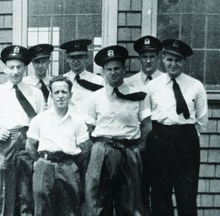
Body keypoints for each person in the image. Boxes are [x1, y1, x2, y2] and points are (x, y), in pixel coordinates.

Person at [0, 45, 45, 216]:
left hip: (28, 141)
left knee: (27, 194)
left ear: (25, 68)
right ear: (4, 68)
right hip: (4, 143)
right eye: (11, 67)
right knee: (2, 194)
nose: (15, 72)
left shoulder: (35, 93)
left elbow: (42, 121)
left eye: (19, 67)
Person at [85, 45, 152, 216]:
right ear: (103, 72)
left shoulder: (138, 95)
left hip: (128, 151)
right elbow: (89, 127)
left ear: (123, 70)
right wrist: (100, 148)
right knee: (99, 203)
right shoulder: (95, 97)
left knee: (130, 205)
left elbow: (146, 125)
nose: (113, 72)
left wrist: (137, 148)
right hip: (102, 151)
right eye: (109, 69)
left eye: (117, 68)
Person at [146, 39, 208, 216]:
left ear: (184, 62)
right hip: (160, 138)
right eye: (169, 59)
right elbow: (147, 116)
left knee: (187, 193)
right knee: (160, 192)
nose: (173, 64)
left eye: (178, 60)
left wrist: (187, 137)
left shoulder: (196, 86)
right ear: (163, 59)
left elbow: (202, 119)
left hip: (186, 140)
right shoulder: (153, 86)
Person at [25, 75, 90, 216]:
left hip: (68, 166)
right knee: (42, 209)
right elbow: (30, 146)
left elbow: (85, 149)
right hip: (45, 165)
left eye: (64, 92)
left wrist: (71, 164)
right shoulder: (40, 119)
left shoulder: (77, 121)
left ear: (70, 95)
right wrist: (41, 161)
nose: (60, 96)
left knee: (70, 209)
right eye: (57, 92)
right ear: (51, 95)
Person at [125, 35, 163, 216]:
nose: (148, 60)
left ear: (158, 58)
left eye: (152, 56)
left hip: (161, 141)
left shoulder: (165, 81)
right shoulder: (130, 83)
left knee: (159, 191)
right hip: (138, 143)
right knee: (137, 191)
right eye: (144, 56)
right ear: (139, 58)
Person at [60, 39, 104, 114]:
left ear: (86, 58)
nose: (76, 61)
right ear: (67, 59)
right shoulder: (61, 81)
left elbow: (103, 107)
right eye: (72, 57)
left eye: (79, 57)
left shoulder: (98, 81)